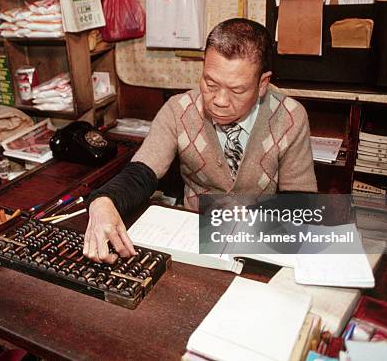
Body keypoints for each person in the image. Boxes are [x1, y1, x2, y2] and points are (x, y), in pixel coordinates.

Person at [83, 18, 317, 263]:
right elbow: (141, 172)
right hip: (191, 245)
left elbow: (300, 203)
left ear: (262, 84)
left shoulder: (290, 117)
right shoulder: (178, 109)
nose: (220, 101)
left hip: (262, 243)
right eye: (210, 83)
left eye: (237, 90)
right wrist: (103, 201)